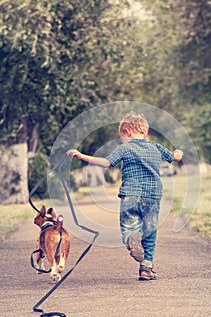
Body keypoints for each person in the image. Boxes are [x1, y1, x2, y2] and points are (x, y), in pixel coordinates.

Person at [66, 111, 183, 281]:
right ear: (144, 131)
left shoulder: (124, 148)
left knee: (129, 226)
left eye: (121, 136)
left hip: (130, 196)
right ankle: (146, 268)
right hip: (152, 196)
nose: (122, 139)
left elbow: (106, 163)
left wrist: (81, 155)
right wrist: (179, 151)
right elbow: (175, 157)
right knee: (150, 232)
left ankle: (130, 238)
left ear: (127, 131)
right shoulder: (156, 147)